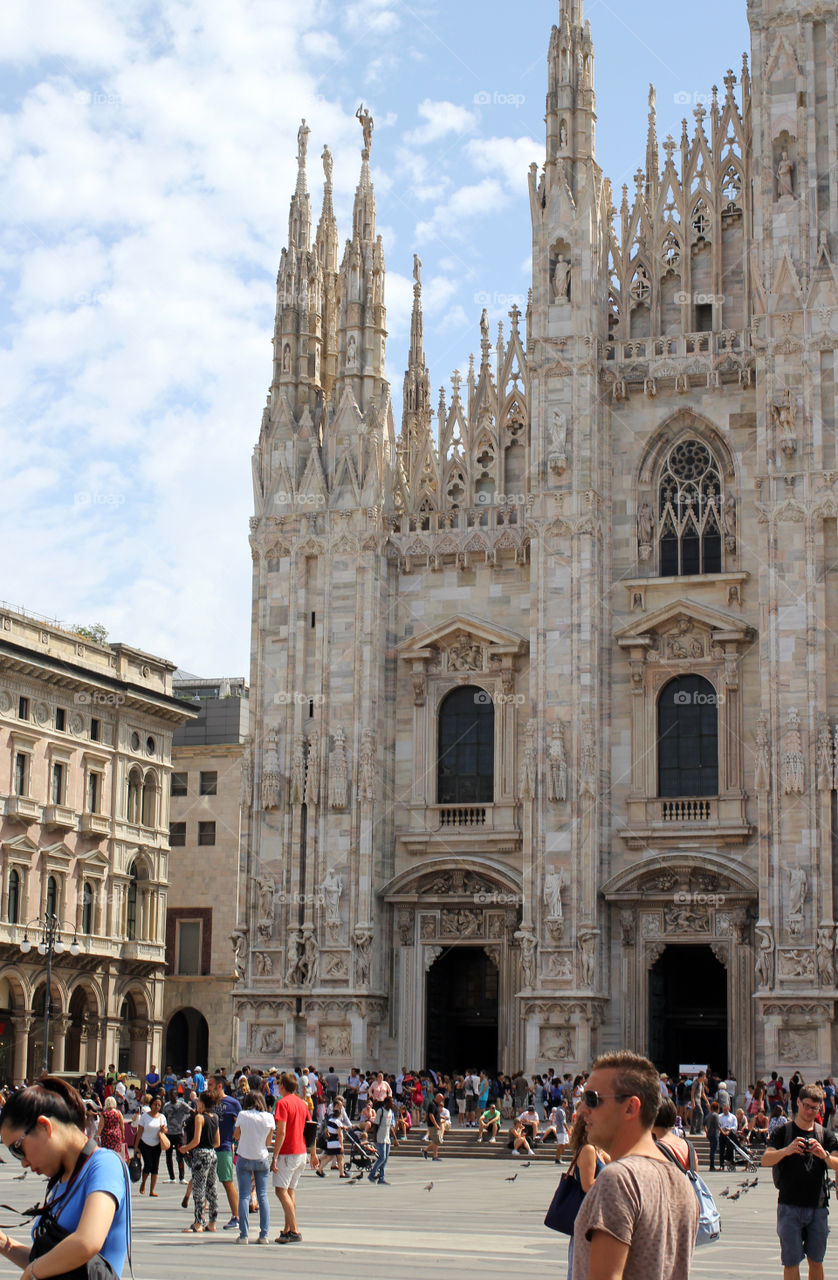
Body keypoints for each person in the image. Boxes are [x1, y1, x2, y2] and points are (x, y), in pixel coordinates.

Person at [572, 1051, 699, 1280]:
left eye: (592, 1099)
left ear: (630, 1107)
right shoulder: (683, 1183)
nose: (581, 1110)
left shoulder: (618, 1180)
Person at [0, 1077, 130, 1277]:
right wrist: (4, 1244)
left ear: (44, 1126)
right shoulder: (61, 1181)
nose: (23, 1162)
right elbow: (54, 1265)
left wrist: (30, 1274)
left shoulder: (105, 1164)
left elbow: (87, 1242)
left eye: (18, 1149)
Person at [762, 1082, 838, 1280]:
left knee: (816, 1260)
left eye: (815, 1108)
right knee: (791, 1261)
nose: (810, 1111)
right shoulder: (783, 1133)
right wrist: (787, 1150)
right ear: (797, 1102)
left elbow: (837, 1163)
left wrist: (824, 1155)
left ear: (820, 1108)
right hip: (789, 1205)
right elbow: (765, 1159)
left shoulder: (825, 1134)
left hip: (818, 1207)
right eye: (806, 1106)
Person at [562, 1109, 609, 1280]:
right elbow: (588, 1185)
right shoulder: (588, 1150)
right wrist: (610, 1182)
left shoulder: (598, 1150)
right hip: (588, 1215)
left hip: (598, 1215)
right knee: (580, 1268)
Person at [270, 1070, 309, 1244]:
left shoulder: (282, 1103)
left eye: (278, 1083)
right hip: (301, 1152)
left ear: (282, 1086)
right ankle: (287, 1229)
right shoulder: (303, 1103)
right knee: (290, 1191)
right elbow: (310, 1130)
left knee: (280, 1190)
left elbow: (281, 1131)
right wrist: (313, 1153)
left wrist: (274, 1156)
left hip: (288, 1152)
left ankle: (294, 1229)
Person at [233, 1092, 275, 1244]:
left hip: (244, 1156)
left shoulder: (243, 1115)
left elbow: (236, 1135)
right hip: (261, 1157)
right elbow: (269, 1141)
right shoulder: (269, 1117)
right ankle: (264, 1234)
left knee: (244, 1195)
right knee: (263, 1196)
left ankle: (244, 1235)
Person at [180, 1092, 220, 1233]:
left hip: (200, 1154)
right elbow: (217, 1142)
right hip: (212, 1154)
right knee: (212, 1188)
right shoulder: (215, 1117)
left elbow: (196, 1140)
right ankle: (212, 1222)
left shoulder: (199, 1117)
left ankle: (198, 1223)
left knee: (199, 1189)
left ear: (202, 1103)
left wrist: (185, 1148)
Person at [207, 1076, 240, 1230]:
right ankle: (204, 1217)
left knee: (227, 1181)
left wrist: (236, 1141)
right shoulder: (208, 1101)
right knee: (206, 1183)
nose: (208, 1087)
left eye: (211, 1084)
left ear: (219, 1086)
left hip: (224, 1147)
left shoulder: (232, 1103)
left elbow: (239, 1124)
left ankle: (236, 1216)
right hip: (208, 1147)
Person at [134, 1093, 167, 1196]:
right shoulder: (144, 1117)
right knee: (148, 1164)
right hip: (145, 1143)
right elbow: (139, 1132)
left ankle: (152, 1190)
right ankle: (143, 1183)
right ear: (151, 1104)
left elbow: (165, 1130)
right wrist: (136, 1146)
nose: (156, 1107)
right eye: (155, 1104)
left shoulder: (162, 1117)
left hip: (156, 1144)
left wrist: (163, 1129)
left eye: (159, 1105)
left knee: (155, 1167)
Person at [163, 1089, 192, 1182]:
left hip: (178, 1133)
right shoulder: (166, 1106)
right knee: (168, 1156)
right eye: (171, 1096)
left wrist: (186, 1122)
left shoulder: (181, 1104)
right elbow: (164, 1118)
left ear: (176, 1096)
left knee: (180, 1155)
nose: (173, 1098)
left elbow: (191, 1111)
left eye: (174, 1096)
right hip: (169, 1134)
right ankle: (172, 1177)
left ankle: (182, 1177)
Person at [368, 1095, 397, 1184]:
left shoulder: (390, 1112)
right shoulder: (381, 1111)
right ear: (386, 1103)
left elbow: (391, 1126)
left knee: (385, 1159)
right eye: (391, 1102)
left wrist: (395, 1139)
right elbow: (375, 1125)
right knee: (382, 1158)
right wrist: (375, 1137)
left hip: (387, 1137)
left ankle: (381, 1178)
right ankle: (371, 1174)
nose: (392, 1104)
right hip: (380, 1137)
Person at [99, 1097, 127, 1161]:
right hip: (116, 1134)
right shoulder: (118, 1113)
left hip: (106, 1135)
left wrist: (98, 1135)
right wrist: (123, 1134)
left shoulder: (104, 1113)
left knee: (106, 1153)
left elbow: (101, 1125)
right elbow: (122, 1125)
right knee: (116, 1153)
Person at [421, 1092, 445, 1161]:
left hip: (436, 1124)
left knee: (436, 1141)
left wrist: (442, 1117)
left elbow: (436, 1114)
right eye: (441, 1099)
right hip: (432, 1125)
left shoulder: (436, 1104)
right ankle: (433, 1155)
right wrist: (436, 1125)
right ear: (437, 1098)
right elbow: (431, 1115)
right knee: (436, 1140)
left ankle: (427, 1152)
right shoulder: (432, 1104)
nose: (441, 1101)